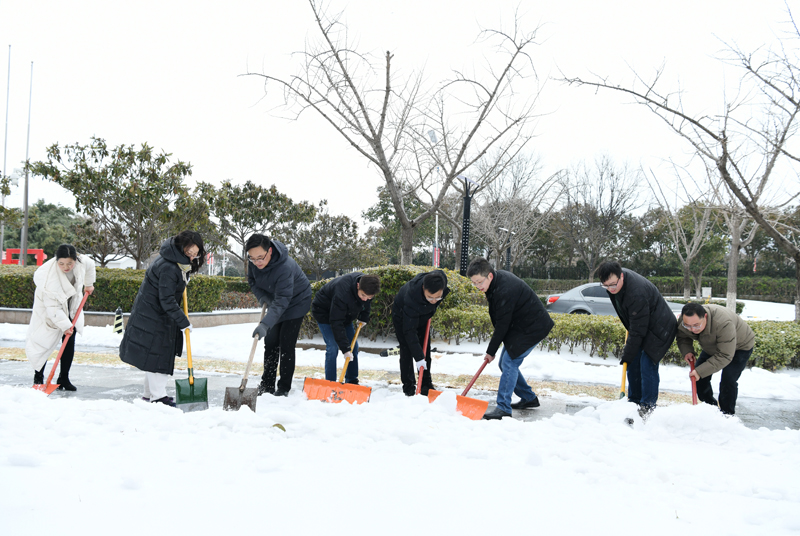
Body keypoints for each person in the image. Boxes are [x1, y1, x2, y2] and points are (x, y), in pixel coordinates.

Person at [119, 231, 205, 407]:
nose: (192, 257)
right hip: (153, 318)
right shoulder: (169, 267)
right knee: (158, 356)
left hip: (154, 316)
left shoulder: (172, 261)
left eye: (195, 254)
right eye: (189, 253)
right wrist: (183, 322)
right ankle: (158, 397)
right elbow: (166, 300)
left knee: (153, 357)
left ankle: (149, 395)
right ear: (181, 247)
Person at [466, 258, 554, 420]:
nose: (477, 286)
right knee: (505, 363)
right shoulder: (496, 282)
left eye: (479, 282)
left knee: (509, 363)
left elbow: (502, 324)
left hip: (532, 327)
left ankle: (503, 407)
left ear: (489, 276)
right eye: (474, 283)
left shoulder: (504, 289)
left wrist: (491, 351)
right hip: (519, 325)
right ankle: (528, 397)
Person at [597, 261, 678, 417]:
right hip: (644, 324)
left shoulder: (636, 292)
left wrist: (628, 353)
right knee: (633, 363)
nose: (611, 289)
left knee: (647, 365)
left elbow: (638, 329)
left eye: (613, 285)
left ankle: (647, 407)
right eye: (606, 286)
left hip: (660, 328)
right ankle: (634, 402)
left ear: (621, 276)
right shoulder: (615, 284)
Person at [246, 234, 312, 397]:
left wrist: (265, 324)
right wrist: (262, 296)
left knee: (286, 344)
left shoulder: (285, 267)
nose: (257, 262)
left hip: (296, 302)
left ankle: (283, 388)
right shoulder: (253, 263)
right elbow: (252, 281)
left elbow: (283, 300)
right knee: (270, 342)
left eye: (260, 258)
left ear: (269, 251)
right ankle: (267, 384)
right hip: (276, 300)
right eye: (252, 258)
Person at [26, 244, 96, 391]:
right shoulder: (49, 277)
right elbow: (53, 308)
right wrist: (65, 326)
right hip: (48, 310)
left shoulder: (82, 262)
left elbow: (90, 265)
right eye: (61, 263)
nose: (66, 267)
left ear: (75, 260)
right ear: (56, 260)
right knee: (43, 342)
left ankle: (64, 378)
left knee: (69, 342)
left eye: (70, 263)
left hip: (70, 307)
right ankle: (38, 379)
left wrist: (89, 284)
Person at [676, 302, 755, 415]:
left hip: (740, 346)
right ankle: (710, 409)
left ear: (705, 317)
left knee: (728, 380)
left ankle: (727, 415)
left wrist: (700, 371)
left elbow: (725, 355)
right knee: (699, 378)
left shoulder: (723, 323)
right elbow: (682, 336)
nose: (692, 329)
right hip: (712, 346)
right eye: (688, 326)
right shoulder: (685, 321)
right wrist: (687, 351)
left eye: (696, 325)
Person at [311, 272, 380, 384]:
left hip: (344, 314)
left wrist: (363, 317)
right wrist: (345, 349)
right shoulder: (342, 292)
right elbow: (336, 321)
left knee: (354, 347)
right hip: (324, 312)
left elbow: (366, 304)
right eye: (363, 295)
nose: (365, 299)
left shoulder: (368, 286)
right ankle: (330, 382)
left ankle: (351, 380)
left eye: (369, 297)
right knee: (333, 347)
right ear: (358, 286)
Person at [392, 270, 450, 396]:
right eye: (430, 297)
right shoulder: (411, 297)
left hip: (423, 314)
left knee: (425, 349)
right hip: (403, 317)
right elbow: (409, 331)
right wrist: (418, 358)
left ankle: (425, 385)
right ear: (423, 288)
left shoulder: (441, 280)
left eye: (437, 297)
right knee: (407, 349)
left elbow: (438, 274)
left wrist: (430, 306)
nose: (434, 300)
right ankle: (409, 387)